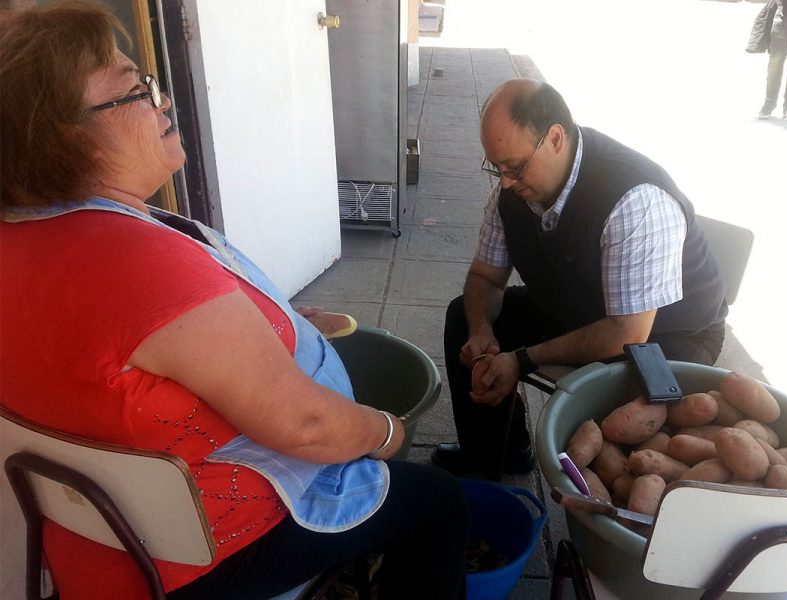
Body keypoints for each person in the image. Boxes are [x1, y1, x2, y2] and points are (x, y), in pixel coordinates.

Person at [0, 3, 469, 599]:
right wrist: (386, 433)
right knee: (435, 501)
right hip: (190, 558)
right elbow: (306, 424)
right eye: (135, 92)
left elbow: (131, 352)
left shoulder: (20, 236)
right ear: (67, 139)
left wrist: (281, 324)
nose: (162, 98)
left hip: (91, 536)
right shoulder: (133, 263)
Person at [432, 79, 727, 477]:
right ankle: (494, 456)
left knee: (625, 435)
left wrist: (520, 360)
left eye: (515, 167)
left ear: (554, 138)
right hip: (578, 306)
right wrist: (483, 331)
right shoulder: (513, 190)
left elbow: (627, 332)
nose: (504, 182)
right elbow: (485, 275)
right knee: (462, 317)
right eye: (496, 169)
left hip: (666, 335)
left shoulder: (633, 197)